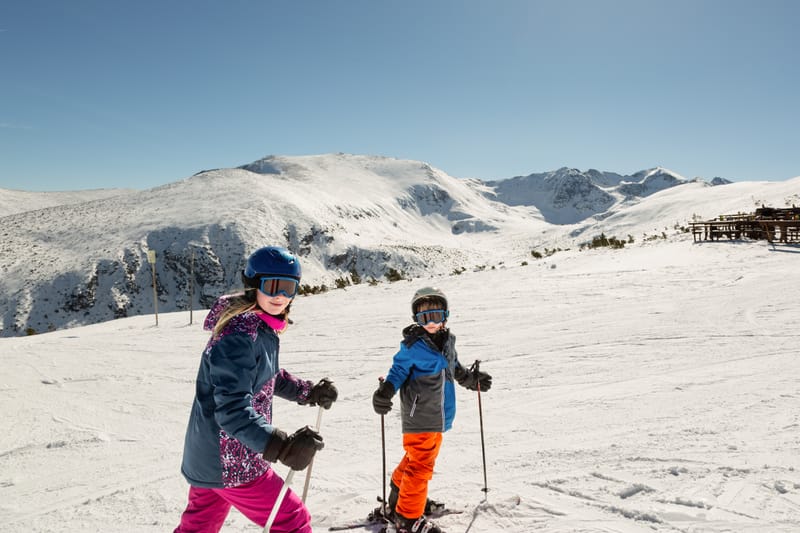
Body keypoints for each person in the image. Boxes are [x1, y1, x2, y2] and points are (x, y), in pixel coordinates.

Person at [174, 246, 338, 533]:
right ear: (253, 286)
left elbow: (267, 376)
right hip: (230, 460)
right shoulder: (239, 336)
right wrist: (281, 446)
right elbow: (233, 409)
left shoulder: (257, 327)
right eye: (272, 286)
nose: (280, 296)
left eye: (289, 288)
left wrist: (308, 392)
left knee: (198, 528)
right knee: (291, 520)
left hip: (208, 457)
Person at [372, 287, 492, 533]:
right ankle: (407, 517)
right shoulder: (412, 347)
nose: (431, 322)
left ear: (445, 316)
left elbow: (455, 368)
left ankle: (399, 501)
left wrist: (472, 380)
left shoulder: (448, 342)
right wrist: (385, 392)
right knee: (421, 465)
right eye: (425, 317)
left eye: (436, 316)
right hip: (420, 416)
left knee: (415, 459)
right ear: (416, 319)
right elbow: (397, 372)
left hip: (440, 415)